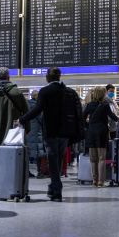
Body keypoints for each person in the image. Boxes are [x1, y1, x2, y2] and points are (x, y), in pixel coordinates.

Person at [19, 67, 83, 202]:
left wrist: (23, 119)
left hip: (51, 131)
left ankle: (57, 189)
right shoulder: (70, 92)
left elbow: (37, 109)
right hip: (66, 132)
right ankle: (53, 187)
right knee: (58, 159)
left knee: (53, 160)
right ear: (59, 77)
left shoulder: (45, 91)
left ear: (48, 77)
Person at [0, 67, 29, 149]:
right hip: (14, 135)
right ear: (8, 77)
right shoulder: (17, 92)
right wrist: (27, 129)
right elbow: (26, 112)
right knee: (13, 158)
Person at [84, 86, 119, 187]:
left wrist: (89, 125)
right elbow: (112, 117)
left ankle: (94, 181)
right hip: (102, 132)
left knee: (93, 158)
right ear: (103, 94)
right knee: (101, 158)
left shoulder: (89, 105)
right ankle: (101, 181)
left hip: (91, 132)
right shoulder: (105, 105)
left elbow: (82, 118)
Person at [26, 90, 47, 178]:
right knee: (40, 152)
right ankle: (41, 172)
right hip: (37, 133)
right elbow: (42, 119)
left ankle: (26, 171)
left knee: (28, 153)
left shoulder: (27, 105)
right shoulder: (37, 106)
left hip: (29, 132)